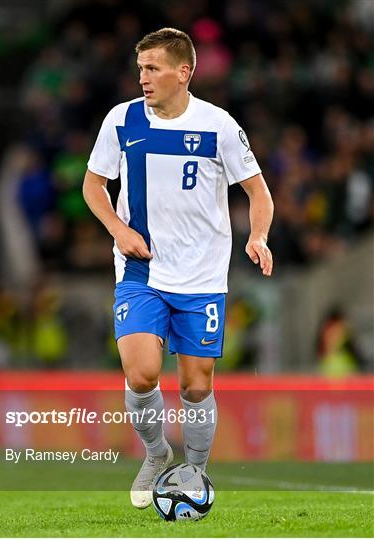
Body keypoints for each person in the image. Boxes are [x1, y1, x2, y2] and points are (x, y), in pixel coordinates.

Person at [83, 27, 274, 509]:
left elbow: (258, 191)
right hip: (141, 270)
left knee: (195, 385)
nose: (142, 77)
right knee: (142, 373)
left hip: (202, 276)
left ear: (183, 72)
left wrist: (257, 236)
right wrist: (119, 231)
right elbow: (93, 185)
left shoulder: (219, 126)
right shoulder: (122, 120)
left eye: (153, 68)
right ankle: (155, 453)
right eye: (140, 68)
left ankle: (194, 472)